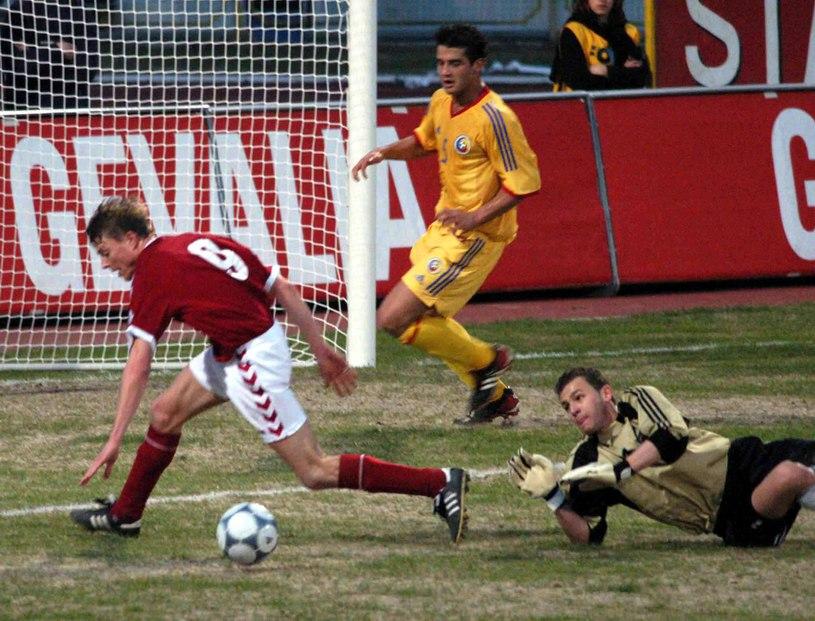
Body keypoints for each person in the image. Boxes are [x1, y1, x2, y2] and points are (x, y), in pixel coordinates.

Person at [69, 196, 470, 544]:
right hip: (239, 348)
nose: (104, 263)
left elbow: (139, 363)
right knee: (164, 413)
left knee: (313, 471)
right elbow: (281, 288)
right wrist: (320, 350)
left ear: (132, 240)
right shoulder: (193, 243)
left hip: (251, 364)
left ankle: (437, 482)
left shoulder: (154, 272)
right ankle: (126, 514)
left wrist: (114, 438)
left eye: (106, 251)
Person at [351, 24, 541, 426]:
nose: (445, 71)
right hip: (444, 229)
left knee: (392, 318)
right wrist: (382, 152)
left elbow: (523, 184)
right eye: (440, 63)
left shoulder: (496, 118)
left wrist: (473, 216)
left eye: (455, 63)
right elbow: (424, 141)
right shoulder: (441, 100)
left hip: (476, 237)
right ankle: (495, 396)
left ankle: (489, 361)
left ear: (478, 67)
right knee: (421, 321)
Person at [509, 367, 815, 547]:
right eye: (566, 406)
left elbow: (671, 437)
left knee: (802, 461)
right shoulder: (585, 461)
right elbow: (589, 535)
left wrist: (621, 472)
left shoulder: (637, 400)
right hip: (733, 515)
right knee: (791, 475)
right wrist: (553, 498)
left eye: (578, 397)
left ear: (605, 393)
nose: (573, 409)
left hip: (740, 459)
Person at [0, 0, 101, 110]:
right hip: (25, 108)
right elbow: (17, 68)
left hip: (71, 107)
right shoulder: (19, 10)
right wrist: (57, 50)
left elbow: (89, 68)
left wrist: (34, 51)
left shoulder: (79, 10)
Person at [549, 0, 651, 92]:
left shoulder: (629, 32)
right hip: (577, 106)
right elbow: (578, 81)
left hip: (618, 106)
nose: (602, 0)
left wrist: (605, 71)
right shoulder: (573, 31)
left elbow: (640, 78)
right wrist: (622, 76)